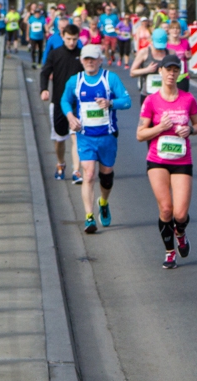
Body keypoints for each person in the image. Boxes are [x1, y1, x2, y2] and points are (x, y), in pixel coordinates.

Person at [136, 54, 197, 268]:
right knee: (166, 209)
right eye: (168, 70)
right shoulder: (151, 100)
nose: (171, 74)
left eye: (175, 70)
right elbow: (140, 134)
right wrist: (160, 128)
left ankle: (180, 232)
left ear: (179, 73)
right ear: (160, 71)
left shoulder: (188, 99)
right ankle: (170, 252)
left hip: (182, 160)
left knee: (180, 214)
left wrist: (190, 130)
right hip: (157, 160)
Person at [61, 43, 131, 233]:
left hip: (107, 136)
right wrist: (70, 117)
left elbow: (127, 101)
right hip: (85, 136)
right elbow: (65, 100)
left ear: (100, 60)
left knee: (106, 176)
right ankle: (89, 217)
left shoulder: (110, 79)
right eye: (86, 59)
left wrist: (111, 103)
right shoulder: (75, 81)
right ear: (81, 61)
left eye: (93, 59)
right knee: (89, 174)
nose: (90, 62)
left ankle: (103, 202)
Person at [40, 21, 83, 182]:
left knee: (76, 136)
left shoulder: (82, 55)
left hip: (77, 103)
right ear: (63, 37)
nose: (72, 42)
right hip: (58, 101)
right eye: (69, 39)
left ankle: (76, 171)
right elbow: (45, 73)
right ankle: (60, 163)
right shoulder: (55, 54)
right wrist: (44, 89)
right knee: (59, 138)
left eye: (74, 39)